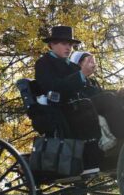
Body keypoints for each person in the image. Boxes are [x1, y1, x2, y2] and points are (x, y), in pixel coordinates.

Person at [34, 25, 101, 172]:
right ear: (52, 44)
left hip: (81, 104)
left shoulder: (73, 66)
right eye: (64, 43)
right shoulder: (43, 64)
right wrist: (81, 75)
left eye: (70, 44)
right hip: (63, 109)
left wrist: (115, 93)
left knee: (111, 98)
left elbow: (87, 89)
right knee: (93, 104)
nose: (68, 47)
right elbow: (53, 87)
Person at [69, 50, 124, 143]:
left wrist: (119, 93)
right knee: (109, 98)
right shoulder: (73, 81)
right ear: (79, 64)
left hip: (97, 107)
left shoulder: (92, 82)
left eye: (94, 62)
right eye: (90, 61)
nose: (94, 64)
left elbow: (102, 93)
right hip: (85, 113)